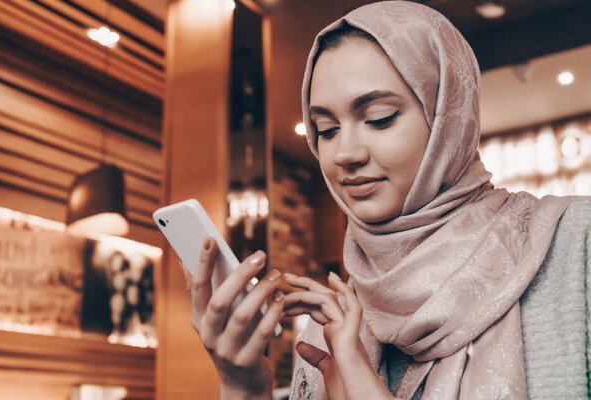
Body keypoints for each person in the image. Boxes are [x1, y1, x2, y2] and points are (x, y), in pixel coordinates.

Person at [182, 1, 591, 399]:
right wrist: (244, 387)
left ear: (446, 118)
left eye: (379, 118)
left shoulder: (577, 246)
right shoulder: (330, 323)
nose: (345, 153)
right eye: (325, 129)